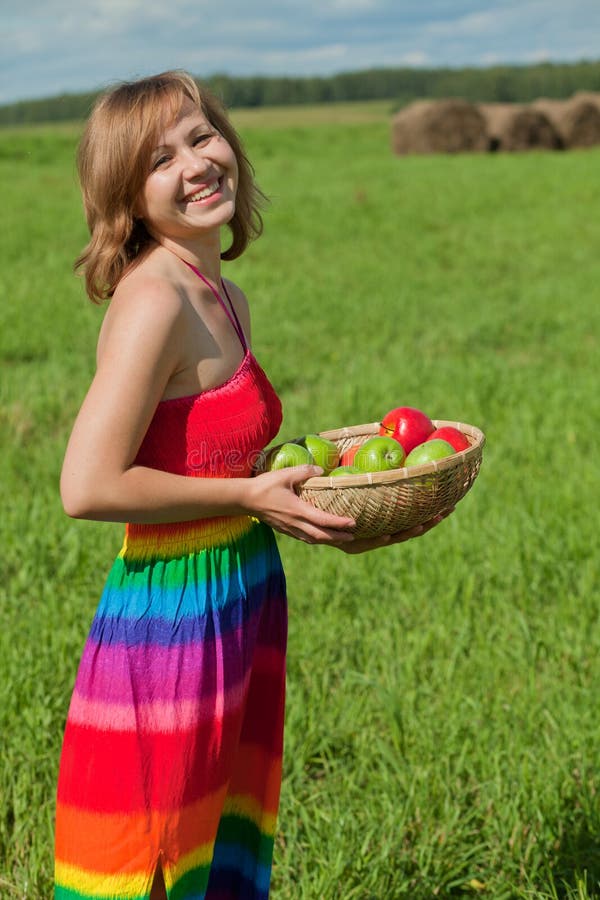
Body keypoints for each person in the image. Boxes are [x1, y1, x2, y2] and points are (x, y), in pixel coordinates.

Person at [54, 70, 449, 900]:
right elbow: (86, 485)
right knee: (152, 854)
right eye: (161, 158)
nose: (196, 163)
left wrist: (298, 481)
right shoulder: (152, 301)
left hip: (237, 593)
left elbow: (208, 454)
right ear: (128, 196)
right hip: (173, 616)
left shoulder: (220, 291)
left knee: (217, 832)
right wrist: (245, 499)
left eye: (202, 136)